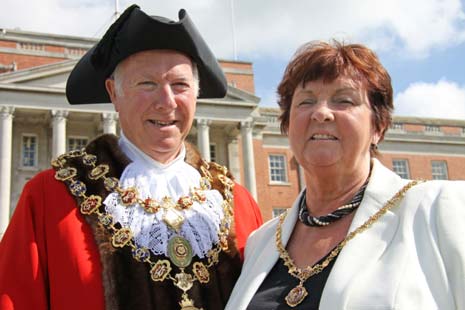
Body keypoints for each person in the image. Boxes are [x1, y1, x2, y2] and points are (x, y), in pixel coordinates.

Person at [0, 5, 262, 310]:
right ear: (113, 93)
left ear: (196, 94)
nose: (166, 102)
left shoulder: (237, 203)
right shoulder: (49, 198)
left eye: (180, 85)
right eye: (147, 84)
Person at [226, 40, 465, 310]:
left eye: (344, 100)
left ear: (379, 126)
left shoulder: (441, 209)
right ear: (287, 125)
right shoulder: (262, 242)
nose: (321, 112)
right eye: (306, 101)